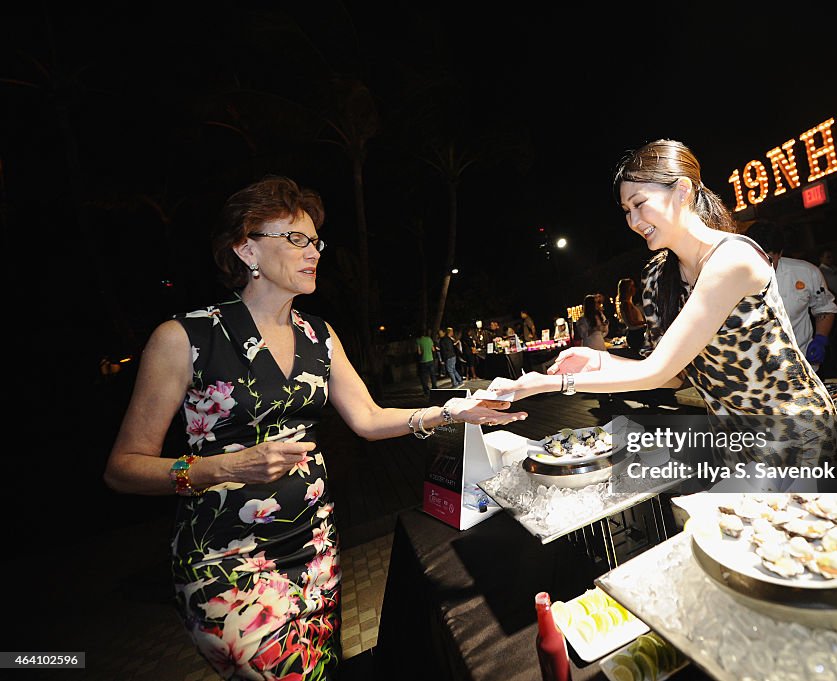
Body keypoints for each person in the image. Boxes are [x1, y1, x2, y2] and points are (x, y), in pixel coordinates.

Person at [103, 176, 524, 681]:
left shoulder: (318, 335)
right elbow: (123, 468)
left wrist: (453, 412)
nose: (314, 252)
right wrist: (222, 467)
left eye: (315, 241)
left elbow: (367, 419)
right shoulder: (184, 337)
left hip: (314, 546)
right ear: (246, 249)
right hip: (225, 559)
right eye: (296, 239)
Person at [488, 139, 837, 474]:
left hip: (793, 428)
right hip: (732, 436)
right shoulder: (658, 275)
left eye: (640, 203)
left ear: (683, 191)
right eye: (627, 210)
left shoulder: (733, 258)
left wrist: (552, 384)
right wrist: (599, 360)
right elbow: (673, 375)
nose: (633, 221)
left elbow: (656, 371)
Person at [744, 220, 837, 369]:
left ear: (780, 253)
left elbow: (824, 309)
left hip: (802, 363)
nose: (761, 264)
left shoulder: (806, 273)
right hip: (757, 369)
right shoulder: (733, 281)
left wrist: (820, 339)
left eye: (769, 259)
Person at [616, 277, 647, 354]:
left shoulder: (629, 303)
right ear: (627, 289)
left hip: (636, 334)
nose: (635, 288)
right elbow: (632, 322)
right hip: (636, 335)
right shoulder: (626, 304)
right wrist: (646, 322)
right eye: (632, 286)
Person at [415, 327, 438, 396]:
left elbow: (419, 352)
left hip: (423, 361)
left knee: (424, 377)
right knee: (432, 375)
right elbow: (433, 349)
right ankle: (434, 388)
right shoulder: (429, 339)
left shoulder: (418, 340)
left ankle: (426, 391)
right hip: (430, 359)